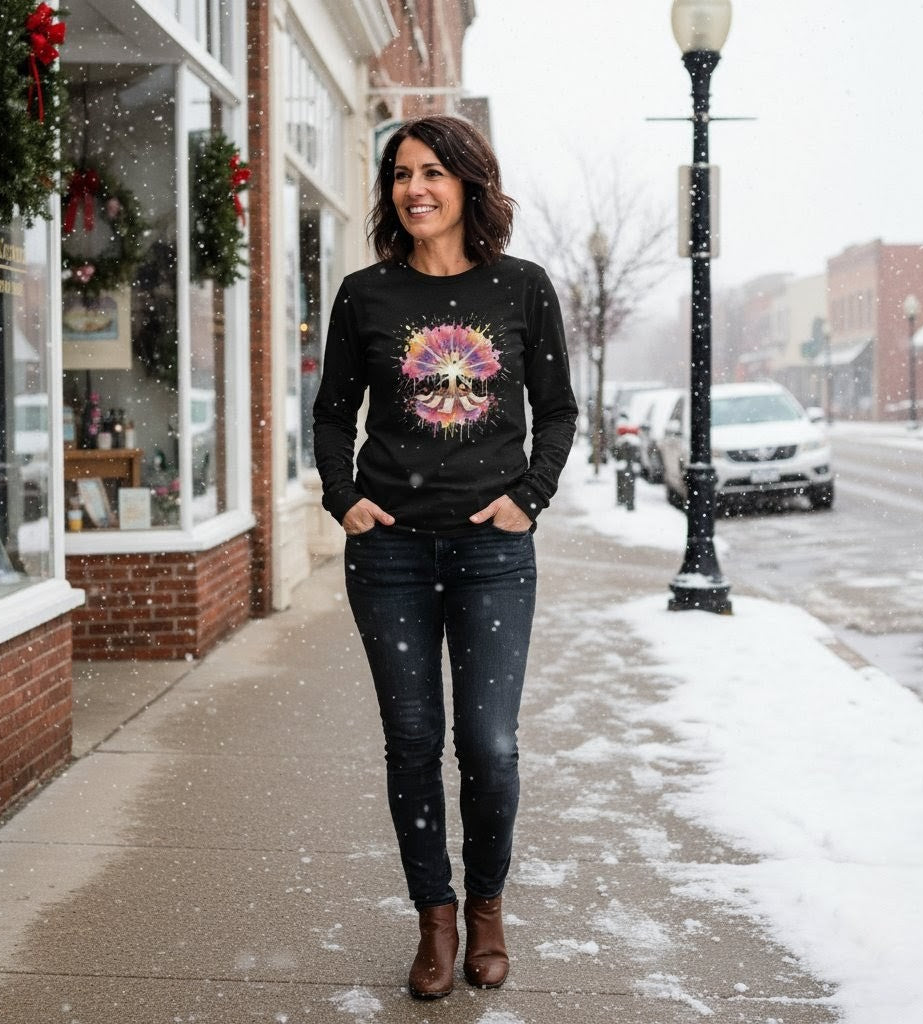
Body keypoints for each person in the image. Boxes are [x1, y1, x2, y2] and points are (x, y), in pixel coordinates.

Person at [312, 115, 577, 1000]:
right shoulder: (366, 295)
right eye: (399, 174)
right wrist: (342, 497)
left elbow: (559, 410)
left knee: (490, 746)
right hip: (388, 554)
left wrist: (528, 498)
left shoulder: (523, 288)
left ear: (468, 184)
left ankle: (488, 907)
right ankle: (435, 918)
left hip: (491, 553)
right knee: (413, 742)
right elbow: (331, 410)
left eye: (431, 172)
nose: (413, 188)